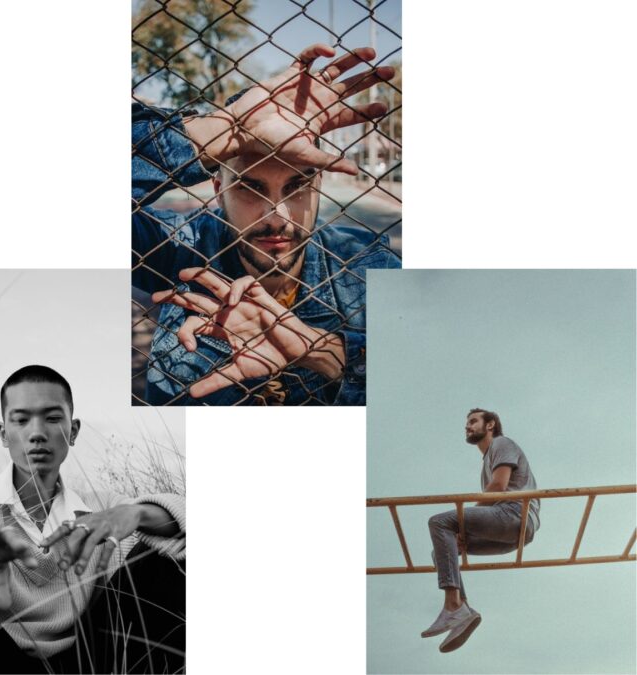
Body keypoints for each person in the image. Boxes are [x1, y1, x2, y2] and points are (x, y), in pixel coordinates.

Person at [132, 43, 400, 405]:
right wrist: (223, 130)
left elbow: (429, 386)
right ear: (218, 188)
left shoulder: (370, 265)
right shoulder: (179, 247)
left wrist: (329, 354)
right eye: (250, 187)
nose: (278, 217)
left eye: (298, 186)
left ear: (319, 183)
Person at [0, 365, 186, 673]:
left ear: (73, 431)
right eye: (21, 420)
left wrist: (136, 513)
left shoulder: (103, 504)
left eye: (53, 418)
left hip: (91, 657)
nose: (37, 434)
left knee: (172, 562)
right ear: (4, 434)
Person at [422, 408, 540, 653]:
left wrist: (463, 526)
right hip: (511, 535)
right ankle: (462, 611)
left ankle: (452, 607)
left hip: (514, 515)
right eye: (467, 422)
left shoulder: (501, 443)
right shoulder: (486, 460)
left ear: (490, 424)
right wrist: (463, 536)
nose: (467, 426)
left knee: (439, 522)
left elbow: (498, 486)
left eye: (473, 421)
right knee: (442, 551)